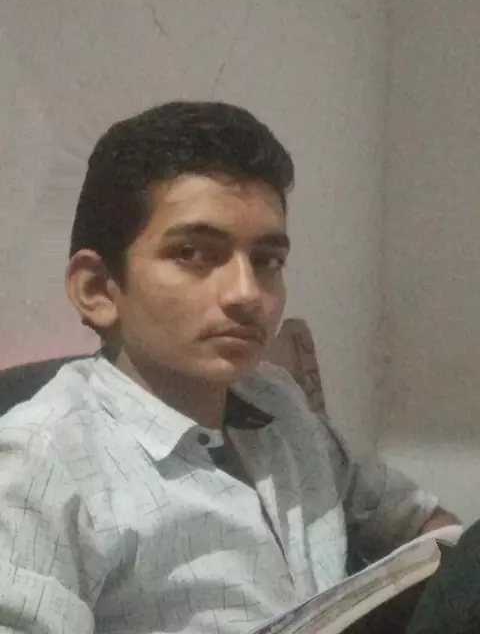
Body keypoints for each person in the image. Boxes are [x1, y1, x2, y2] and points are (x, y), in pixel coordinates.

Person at [0, 101, 459, 634]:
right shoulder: (40, 465)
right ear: (98, 289)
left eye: (267, 261)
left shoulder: (279, 404)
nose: (247, 294)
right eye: (194, 253)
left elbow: (419, 522)